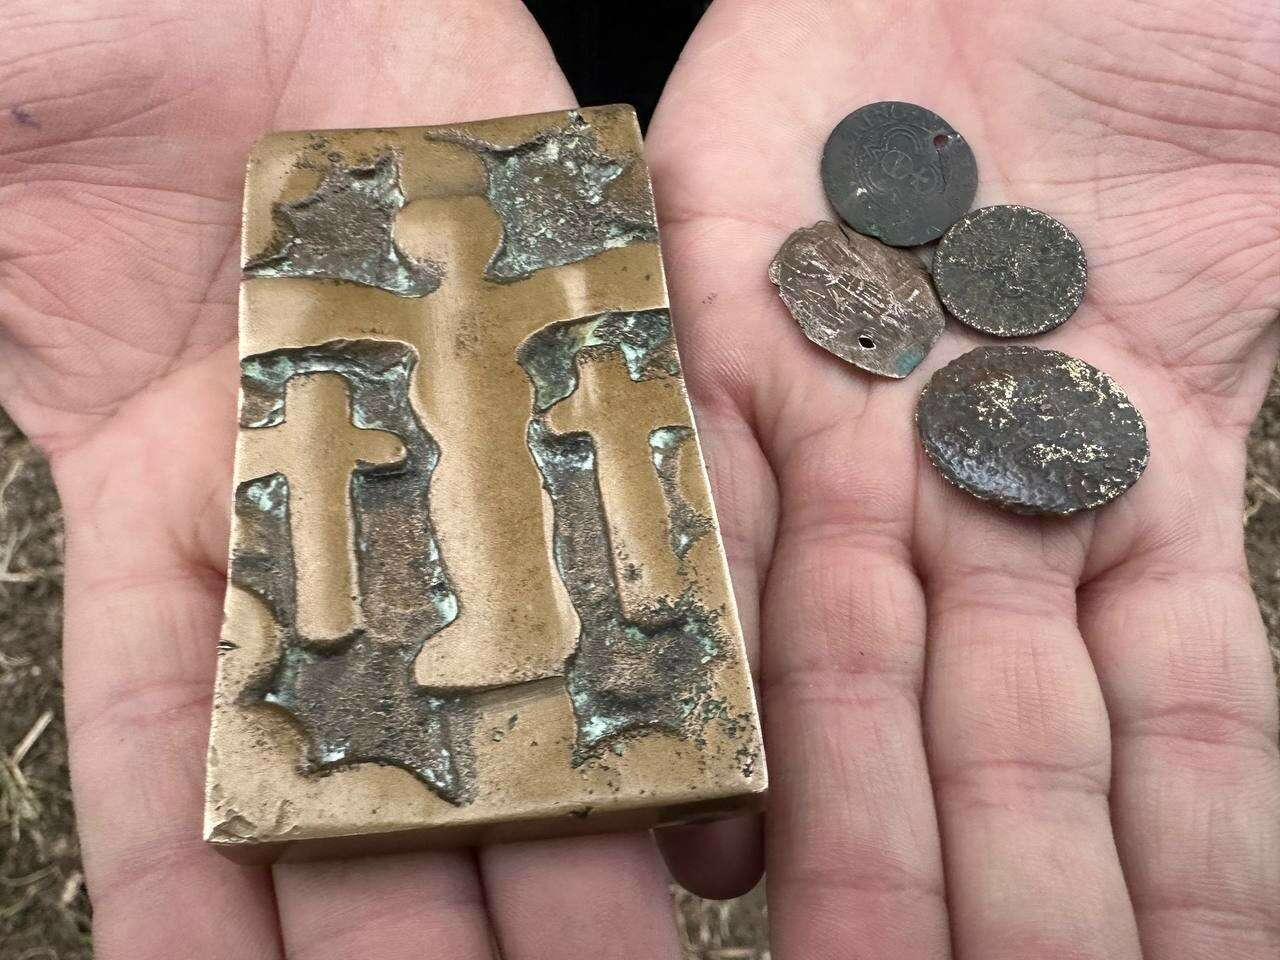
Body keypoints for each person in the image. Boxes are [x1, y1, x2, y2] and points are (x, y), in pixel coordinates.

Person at [2, 1, 1277, 957]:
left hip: (672, 186)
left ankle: (524, 628)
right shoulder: (415, 301)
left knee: (521, 514)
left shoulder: (519, 296)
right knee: (468, 507)